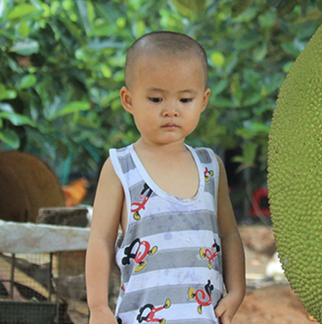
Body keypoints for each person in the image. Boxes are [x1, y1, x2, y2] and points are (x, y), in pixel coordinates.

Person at [85, 31, 245, 324]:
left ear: (204, 100)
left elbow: (229, 235)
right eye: (156, 98)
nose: (171, 110)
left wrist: (236, 291)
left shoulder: (211, 166)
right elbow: (101, 240)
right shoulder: (121, 166)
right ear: (128, 99)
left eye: (185, 99)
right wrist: (97, 308)